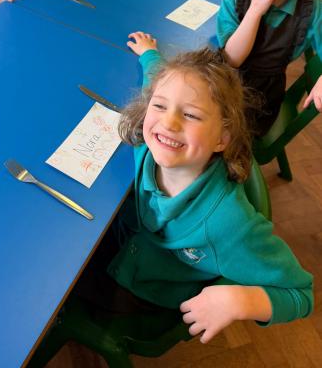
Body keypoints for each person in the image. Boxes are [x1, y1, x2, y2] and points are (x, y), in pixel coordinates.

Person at [76, 35, 313, 344]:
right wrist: (149, 55)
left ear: (222, 138)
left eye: (191, 115)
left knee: (61, 287)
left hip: (147, 291)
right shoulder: (148, 144)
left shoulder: (230, 224)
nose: (169, 122)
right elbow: (159, 83)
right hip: (126, 241)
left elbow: (301, 293)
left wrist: (241, 300)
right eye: (159, 106)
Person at [217, 0, 322, 136]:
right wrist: (254, 11)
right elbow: (232, 60)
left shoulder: (313, 11)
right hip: (224, 87)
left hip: (261, 103)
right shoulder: (234, 1)